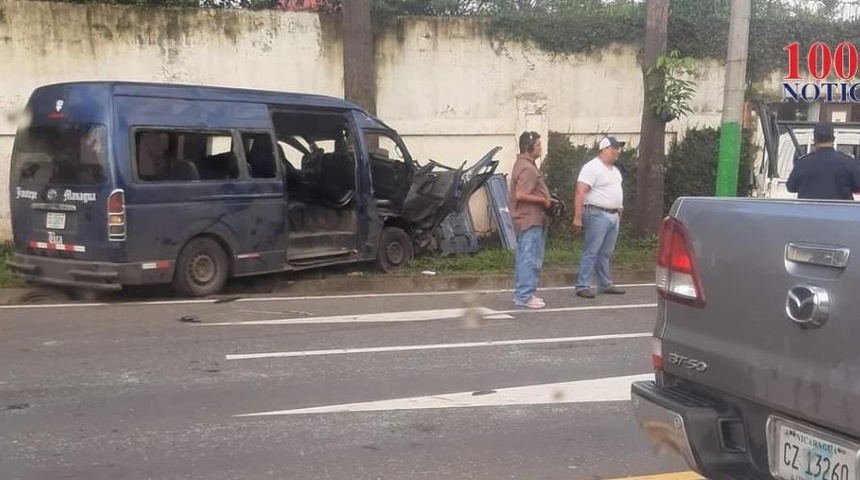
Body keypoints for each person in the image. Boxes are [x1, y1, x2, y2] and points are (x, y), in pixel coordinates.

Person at [572, 136, 627, 299]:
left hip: (613, 214)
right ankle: (582, 284)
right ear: (604, 150)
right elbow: (580, 191)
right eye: (614, 148)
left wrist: (619, 209)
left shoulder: (615, 170)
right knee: (592, 250)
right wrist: (577, 216)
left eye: (618, 148)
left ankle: (605, 283)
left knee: (606, 252)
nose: (617, 152)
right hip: (597, 213)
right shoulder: (592, 167)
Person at [509, 131, 556, 309]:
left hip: (528, 218)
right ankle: (524, 295)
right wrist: (543, 200)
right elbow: (520, 194)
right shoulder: (527, 168)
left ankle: (523, 293)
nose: (540, 148)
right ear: (529, 147)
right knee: (530, 258)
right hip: (530, 219)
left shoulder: (523, 164)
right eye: (538, 145)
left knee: (525, 257)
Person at [786, 122, 860, 200]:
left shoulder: (802, 163)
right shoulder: (848, 162)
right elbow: (858, 188)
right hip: (840, 211)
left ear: (814, 140)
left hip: (808, 211)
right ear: (833, 139)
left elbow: (791, 188)